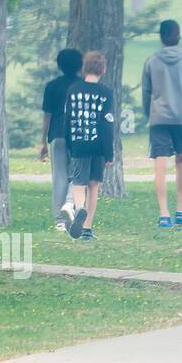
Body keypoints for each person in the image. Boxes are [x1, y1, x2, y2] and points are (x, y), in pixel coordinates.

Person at [142, 19, 182, 228]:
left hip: (159, 119)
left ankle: (164, 214)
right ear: (178, 36)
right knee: (181, 160)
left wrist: (148, 114)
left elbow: (146, 92)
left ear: (161, 37)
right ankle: (181, 210)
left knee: (160, 165)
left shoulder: (151, 61)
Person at [61, 51, 115, 241]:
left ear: (85, 68)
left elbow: (67, 119)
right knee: (93, 186)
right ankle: (87, 228)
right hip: (98, 146)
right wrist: (109, 153)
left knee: (78, 184)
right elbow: (108, 124)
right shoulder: (106, 93)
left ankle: (79, 209)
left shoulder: (73, 90)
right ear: (103, 69)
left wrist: (70, 143)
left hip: (78, 143)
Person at [39, 48, 82, 230]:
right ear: (80, 65)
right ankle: (70, 203)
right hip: (79, 135)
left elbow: (47, 115)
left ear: (59, 66)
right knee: (79, 174)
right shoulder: (83, 86)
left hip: (57, 135)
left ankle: (59, 220)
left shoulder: (52, 86)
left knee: (59, 177)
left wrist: (43, 141)